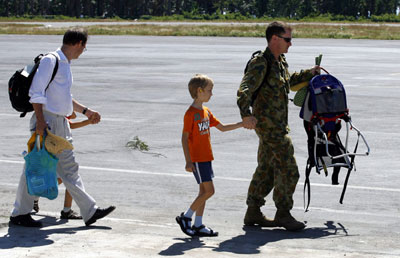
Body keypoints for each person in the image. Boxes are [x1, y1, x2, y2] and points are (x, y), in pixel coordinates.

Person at [10, 27, 115, 227]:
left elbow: (65, 98)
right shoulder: (52, 60)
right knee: (36, 166)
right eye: (84, 47)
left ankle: (89, 211)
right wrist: (40, 122)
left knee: (66, 168)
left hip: (59, 122)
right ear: (78, 44)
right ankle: (19, 213)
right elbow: (36, 93)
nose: (83, 51)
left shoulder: (64, 63)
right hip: (48, 122)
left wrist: (86, 111)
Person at [237, 21, 320, 231]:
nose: (290, 44)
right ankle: (283, 213)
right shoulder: (261, 62)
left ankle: (253, 211)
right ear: (275, 39)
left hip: (277, 126)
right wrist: (246, 115)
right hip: (269, 127)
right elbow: (244, 89)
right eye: (288, 39)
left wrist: (308, 74)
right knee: (289, 169)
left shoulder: (280, 61)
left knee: (266, 169)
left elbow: (288, 83)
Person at [176, 74, 243, 237]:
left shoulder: (206, 111)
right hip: (197, 159)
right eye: (209, 90)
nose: (211, 94)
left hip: (207, 157)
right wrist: (188, 161)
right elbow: (184, 138)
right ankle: (186, 217)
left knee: (203, 192)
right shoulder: (190, 113)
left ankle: (198, 224)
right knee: (209, 191)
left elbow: (223, 127)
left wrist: (242, 124)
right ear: (199, 91)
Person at [32, 112, 95, 220]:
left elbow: (71, 120)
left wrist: (87, 121)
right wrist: (87, 120)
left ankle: (66, 209)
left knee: (65, 179)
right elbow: (73, 118)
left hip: (60, 147)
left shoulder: (59, 115)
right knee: (67, 178)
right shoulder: (56, 113)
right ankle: (35, 198)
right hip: (56, 148)